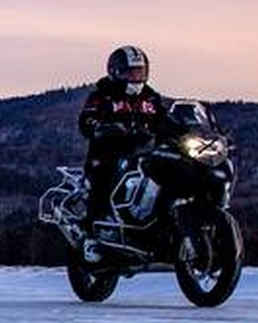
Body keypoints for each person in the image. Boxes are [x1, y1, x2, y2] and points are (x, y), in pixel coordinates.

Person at [76, 46, 182, 255]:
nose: (135, 77)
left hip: (146, 153)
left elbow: (167, 121)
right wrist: (101, 127)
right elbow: (86, 121)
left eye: (139, 72)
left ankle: (165, 224)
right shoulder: (103, 96)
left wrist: (185, 132)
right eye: (130, 72)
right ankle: (92, 233)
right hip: (109, 153)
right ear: (115, 72)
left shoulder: (151, 99)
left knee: (174, 171)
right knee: (103, 177)